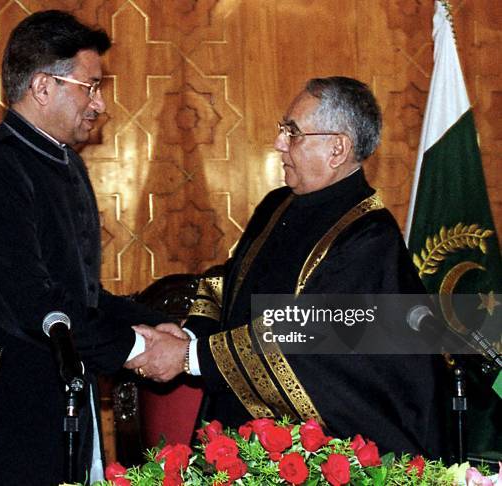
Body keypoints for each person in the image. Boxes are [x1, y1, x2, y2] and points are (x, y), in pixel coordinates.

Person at [0, 10, 170, 485]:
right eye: (91, 86)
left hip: (39, 395)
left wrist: (156, 325)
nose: (100, 104)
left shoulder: (65, 165)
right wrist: (138, 347)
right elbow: (30, 300)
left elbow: (78, 293)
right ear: (44, 87)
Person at [126, 76, 446, 459]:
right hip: (240, 430)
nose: (279, 143)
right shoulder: (277, 204)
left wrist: (190, 358)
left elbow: (304, 339)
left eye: (292, 133)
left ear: (337, 148)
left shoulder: (369, 238)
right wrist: (192, 334)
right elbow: (229, 282)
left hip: (316, 449)